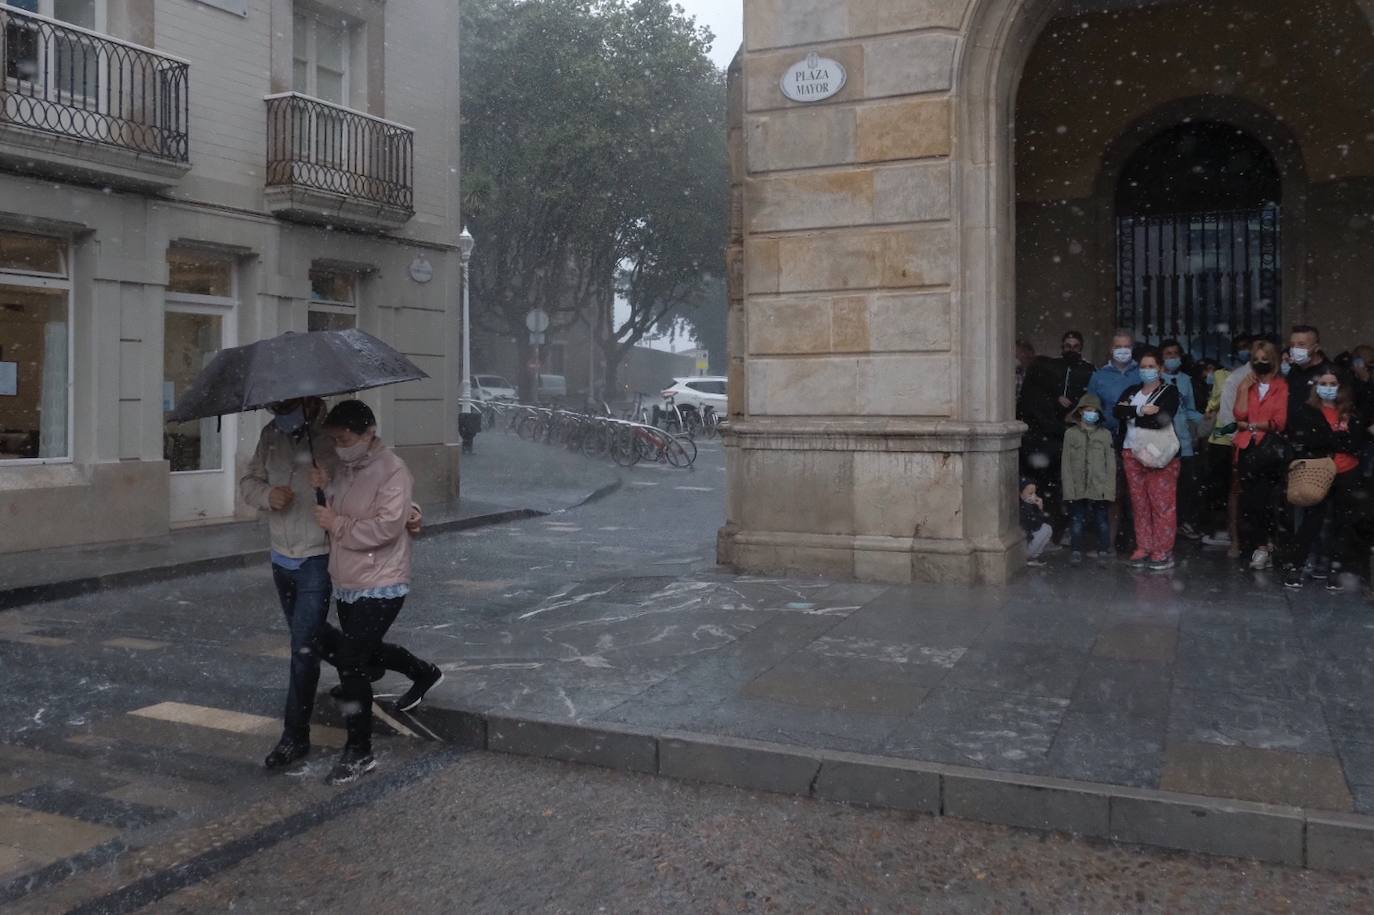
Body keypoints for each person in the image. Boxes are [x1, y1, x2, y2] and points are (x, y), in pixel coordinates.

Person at [240, 398, 429, 772]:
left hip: (320, 557)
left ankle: (296, 736)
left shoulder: (332, 438)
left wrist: (412, 512)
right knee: (319, 639)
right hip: (282, 556)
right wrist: (266, 496)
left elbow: (376, 483)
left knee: (303, 648)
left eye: (286, 404)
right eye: (274, 406)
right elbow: (250, 481)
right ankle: (404, 667)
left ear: (308, 400)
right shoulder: (271, 435)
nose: (279, 412)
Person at [312, 400, 442, 785]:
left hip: (383, 580)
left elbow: (385, 527)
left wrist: (337, 523)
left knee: (351, 660)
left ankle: (359, 752)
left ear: (368, 432)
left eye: (345, 437)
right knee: (358, 652)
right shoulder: (343, 468)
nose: (339, 445)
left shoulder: (393, 470)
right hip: (349, 578)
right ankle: (423, 672)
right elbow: (345, 506)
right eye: (334, 439)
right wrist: (324, 489)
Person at [1279, 370, 1366, 590]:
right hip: (1319, 472)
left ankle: (1334, 570)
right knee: (1312, 520)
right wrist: (1336, 439)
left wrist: (1331, 440)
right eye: (1323, 383)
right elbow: (1311, 439)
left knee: (1342, 522)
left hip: (1348, 471)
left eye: (1333, 383)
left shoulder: (1351, 412)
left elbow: (1355, 443)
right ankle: (1296, 566)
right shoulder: (1307, 411)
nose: (1328, 387)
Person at [1114, 349, 1183, 571]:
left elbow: (1162, 419)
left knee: (1161, 504)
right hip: (1131, 452)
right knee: (1139, 503)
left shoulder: (1169, 391)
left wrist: (1133, 413)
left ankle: (1162, 550)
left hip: (1159, 453)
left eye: (1151, 366)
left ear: (1161, 368)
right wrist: (1142, 410)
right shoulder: (1132, 390)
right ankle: (1144, 546)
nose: (1147, 371)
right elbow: (1117, 411)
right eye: (1143, 366)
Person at [1233, 340, 1290, 571]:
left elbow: (1278, 422)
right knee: (1250, 500)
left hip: (1271, 450)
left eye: (1264, 359)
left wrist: (1251, 425)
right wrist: (1244, 389)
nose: (1259, 363)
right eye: (1256, 359)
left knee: (1268, 500)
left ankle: (1268, 545)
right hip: (1249, 448)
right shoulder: (1249, 385)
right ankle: (1258, 545)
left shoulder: (1282, 386)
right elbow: (1239, 414)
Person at [1089, 330, 1142, 551]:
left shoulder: (1143, 372)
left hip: (1139, 439)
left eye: (1127, 346)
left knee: (1138, 493)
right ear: (1111, 349)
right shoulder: (1099, 376)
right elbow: (1091, 407)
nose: (1122, 351)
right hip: (1110, 440)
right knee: (1112, 494)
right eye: (1118, 346)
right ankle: (1109, 543)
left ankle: (1141, 544)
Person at [1060, 392, 1115, 565]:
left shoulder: (1105, 435)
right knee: (1076, 520)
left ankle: (1103, 550)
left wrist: (1109, 489)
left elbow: (1111, 464)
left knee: (1102, 520)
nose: (1091, 413)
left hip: (1099, 485)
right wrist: (1068, 488)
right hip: (1077, 485)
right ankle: (1076, 550)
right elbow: (1066, 463)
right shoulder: (1070, 434)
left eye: (1094, 410)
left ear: (1098, 413)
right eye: (1087, 410)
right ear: (1080, 412)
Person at [1161, 340, 1204, 540]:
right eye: (1168, 354)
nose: (1172, 357)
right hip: (1161, 441)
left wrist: (1208, 420)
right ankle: (1164, 525)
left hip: (1184, 442)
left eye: (1175, 353)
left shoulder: (1186, 380)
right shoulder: (1155, 378)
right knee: (1163, 486)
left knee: (1186, 486)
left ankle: (1183, 522)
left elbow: (1189, 410)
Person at [1019, 480, 1053, 567]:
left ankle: (1032, 557)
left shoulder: (1028, 505)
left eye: (1035, 493)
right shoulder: (1023, 507)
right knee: (1046, 528)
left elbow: (1039, 523)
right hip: (1022, 547)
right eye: (1030, 493)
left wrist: (1039, 508)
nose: (1034, 496)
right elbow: (1035, 524)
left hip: (1025, 543)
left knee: (1047, 527)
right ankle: (1028, 556)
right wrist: (1040, 509)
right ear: (1021, 494)